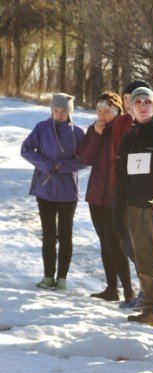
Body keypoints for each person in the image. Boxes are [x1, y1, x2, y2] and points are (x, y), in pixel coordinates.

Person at [113, 86, 153, 329]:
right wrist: (117, 211)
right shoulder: (129, 139)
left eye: (147, 102)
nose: (142, 106)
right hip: (134, 208)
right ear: (130, 109)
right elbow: (121, 179)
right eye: (137, 103)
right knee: (144, 262)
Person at [20, 93, 86, 292]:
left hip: (68, 192)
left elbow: (86, 159)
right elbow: (26, 149)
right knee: (48, 234)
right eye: (56, 110)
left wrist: (64, 166)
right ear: (51, 110)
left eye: (63, 111)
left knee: (65, 235)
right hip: (45, 189)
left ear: (69, 112)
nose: (59, 114)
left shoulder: (78, 133)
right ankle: (48, 275)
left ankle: (62, 278)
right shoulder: (42, 128)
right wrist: (46, 165)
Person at [78, 91, 134, 302]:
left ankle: (128, 291)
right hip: (96, 195)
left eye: (108, 110)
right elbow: (85, 158)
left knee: (115, 242)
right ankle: (112, 289)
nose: (103, 114)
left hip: (116, 196)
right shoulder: (94, 130)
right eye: (99, 110)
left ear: (117, 110)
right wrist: (95, 134)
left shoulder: (124, 128)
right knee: (104, 241)